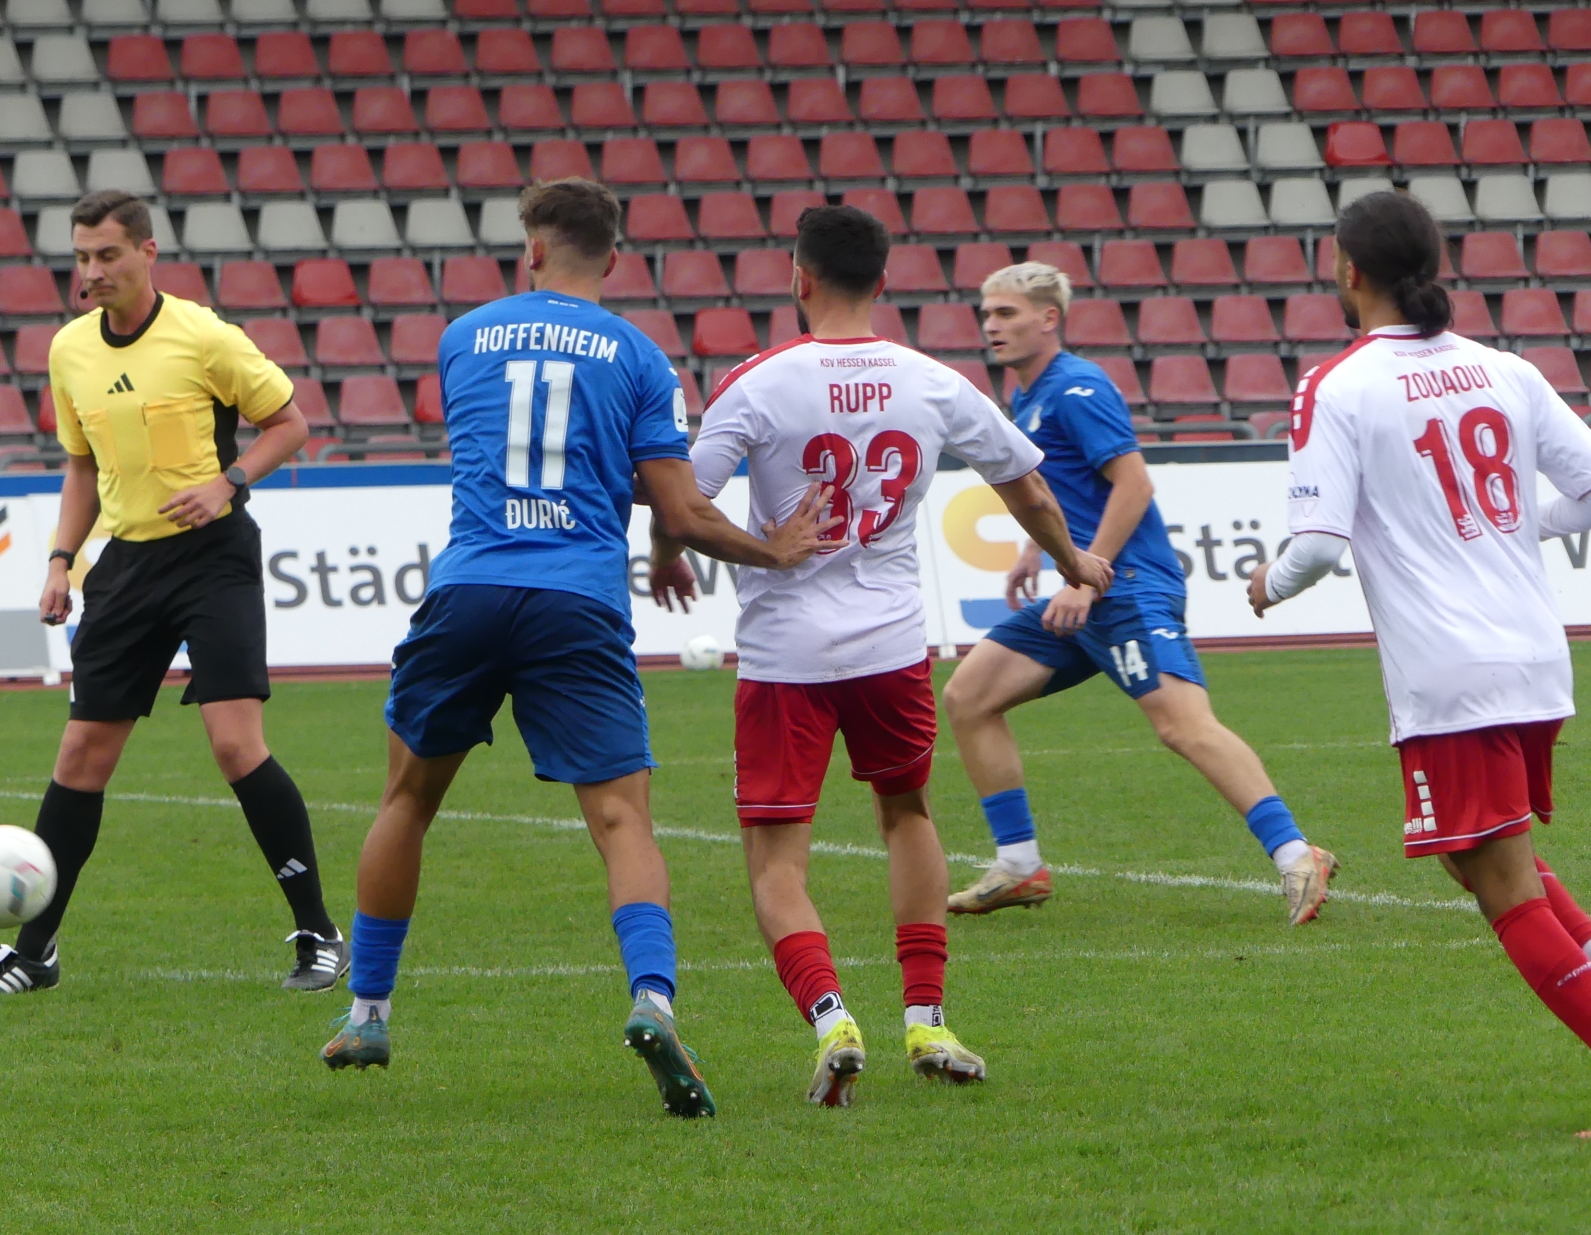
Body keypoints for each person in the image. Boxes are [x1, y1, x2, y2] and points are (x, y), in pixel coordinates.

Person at [321, 179, 827, 1118]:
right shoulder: (639, 356)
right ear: (615, 258)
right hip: (577, 599)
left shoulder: (463, 337)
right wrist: (773, 549)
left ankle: (368, 1013)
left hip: (471, 588)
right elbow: (677, 507)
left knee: (408, 800)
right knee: (623, 821)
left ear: (532, 249)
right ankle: (653, 1000)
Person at [650, 207, 1115, 1105]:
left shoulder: (757, 382)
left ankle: (833, 1020)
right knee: (906, 814)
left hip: (786, 654)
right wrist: (1073, 562)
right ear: (884, 282)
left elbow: (686, 504)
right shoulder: (932, 381)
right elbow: (1025, 485)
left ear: (799, 278)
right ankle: (928, 1019)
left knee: (777, 859)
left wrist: (674, 555)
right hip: (892, 644)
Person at [0, 190, 346, 996]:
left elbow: (290, 424)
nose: (92, 271)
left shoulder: (204, 335)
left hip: (214, 560)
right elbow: (81, 466)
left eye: (107, 255)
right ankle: (35, 952)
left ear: (147, 252)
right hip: (126, 567)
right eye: (82, 257)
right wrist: (61, 561)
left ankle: (318, 933)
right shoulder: (70, 349)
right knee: (81, 756)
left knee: (235, 745)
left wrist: (228, 481)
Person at [1251, 189, 1591, 1055]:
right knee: (1476, 859)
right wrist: (1525, 523)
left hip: (1452, 673)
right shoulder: (1507, 369)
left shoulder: (1337, 384)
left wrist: (1268, 585)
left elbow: (1317, 546)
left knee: (1503, 886)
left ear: (1349, 270)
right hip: (1535, 657)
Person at [942, 263, 1336, 924]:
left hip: (1125, 586)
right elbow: (1060, 487)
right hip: (1086, 587)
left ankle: (1298, 854)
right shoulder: (1030, 395)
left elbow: (1134, 485)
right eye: (987, 314)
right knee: (969, 696)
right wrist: (1036, 551)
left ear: (1049, 318)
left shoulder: (1077, 387)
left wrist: (1079, 577)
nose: (991, 326)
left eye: (1006, 313)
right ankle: (1019, 864)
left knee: (1183, 725)